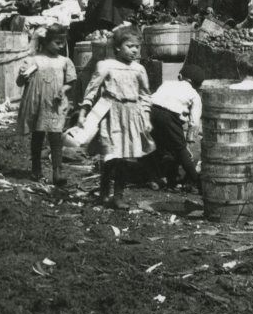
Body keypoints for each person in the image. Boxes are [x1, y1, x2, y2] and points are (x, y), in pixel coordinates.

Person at [77, 26, 155, 210]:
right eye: (130, 46)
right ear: (118, 47)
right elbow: (92, 89)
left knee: (125, 157)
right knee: (110, 155)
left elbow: (145, 95)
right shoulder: (105, 65)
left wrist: (146, 117)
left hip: (131, 114)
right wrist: (83, 112)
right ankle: (104, 191)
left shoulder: (139, 69)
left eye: (137, 47)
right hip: (111, 113)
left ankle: (118, 195)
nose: (134, 50)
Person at [16, 26, 77, 187]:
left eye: (63, 43)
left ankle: (58, 171)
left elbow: (70, 82)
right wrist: (24, 76)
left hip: (55, 104)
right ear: (46, 42)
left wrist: (63, 91)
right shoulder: (33, 60)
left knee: (55, 137)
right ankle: (36, 168)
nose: (61, 46)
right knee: (38, 135)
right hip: (38, 102)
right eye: (57, 42)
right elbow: (20, 82)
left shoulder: (64, 61)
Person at [147, 62, 204, 191]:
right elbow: (194, 122)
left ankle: (156, 178)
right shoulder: (195, 95)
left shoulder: (167, 83)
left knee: (153, 145)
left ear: (180, 76)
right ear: (198, 85)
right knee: (180, 149)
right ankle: (196, 181)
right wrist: (188, 142)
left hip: (150, 111)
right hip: (168, 116)